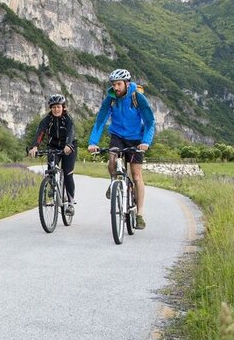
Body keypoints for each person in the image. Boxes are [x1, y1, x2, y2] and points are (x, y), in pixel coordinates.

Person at [87, 68, 155, 229]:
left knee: (137, 175)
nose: (116, 88)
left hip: (135, 139)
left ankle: (139, 215)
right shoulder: (110, 99)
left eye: (118, 84)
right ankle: (113, 182)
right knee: (112, 159)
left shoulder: (137, 97)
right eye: (113, 84)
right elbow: (100, 121)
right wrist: (93, 142)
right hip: (117, 136)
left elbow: (150, 122)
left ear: (126, 83)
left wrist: (146, 142)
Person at [28, 94, 77, 214]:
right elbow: (40, 132)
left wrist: (68, 144)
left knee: (67, 173)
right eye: (53, 107)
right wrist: (35, 146)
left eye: (58, 107)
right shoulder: (47, 119)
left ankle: (70, 203)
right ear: (51, 108)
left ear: (63, 107)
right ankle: (52, 186)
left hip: (69, 147)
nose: (56, 109)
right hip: (54, 146)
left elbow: (70, 132)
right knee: (51, 168)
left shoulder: (68, 119)